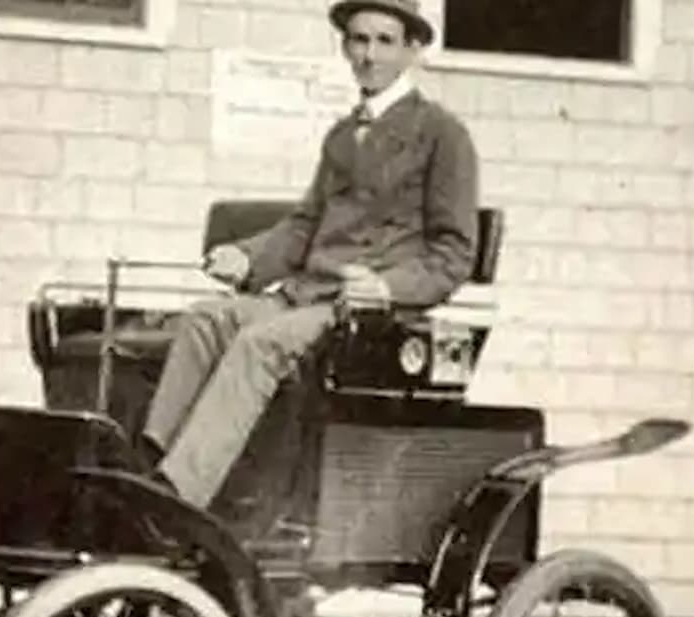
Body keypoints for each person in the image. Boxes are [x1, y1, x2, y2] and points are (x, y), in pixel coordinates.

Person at [139, 0, 480, 509]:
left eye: (384, 41)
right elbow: (305, 224)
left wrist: (389, 287)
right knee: (204, 321)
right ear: (345, 46)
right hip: (307, 296)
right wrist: (247, 258)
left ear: (413, 50)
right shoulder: (342, 135)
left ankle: (178, 498)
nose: (368, 55)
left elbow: (454, 254)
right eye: (358, 40)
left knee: (260, 342)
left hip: (367, 316)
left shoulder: (442, 134)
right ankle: (147, 463)